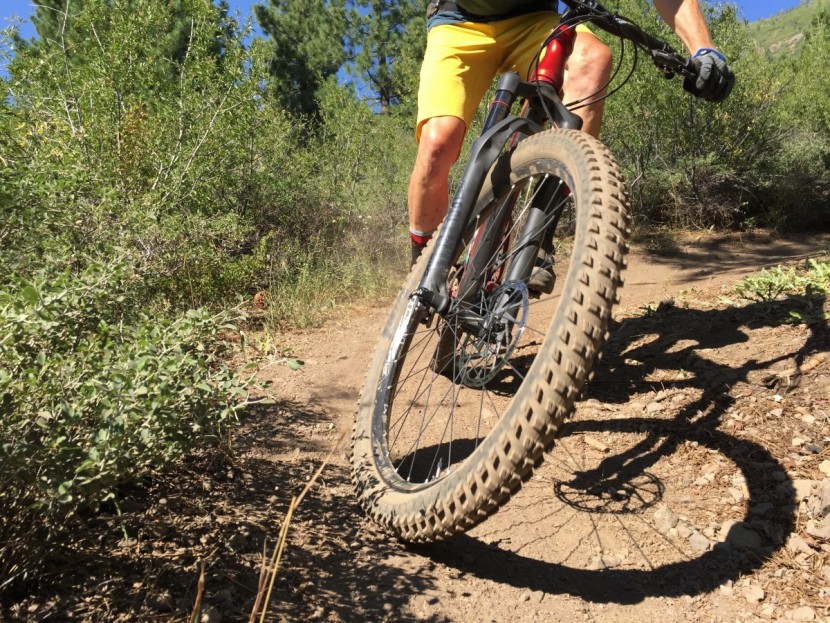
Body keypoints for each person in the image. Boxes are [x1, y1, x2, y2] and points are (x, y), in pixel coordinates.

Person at [407, 0, 735, 281]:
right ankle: (423, 268)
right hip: (459, 22)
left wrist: (704, 50)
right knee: (439, 143)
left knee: (592, 60)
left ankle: (538, 240)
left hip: (534, 19)